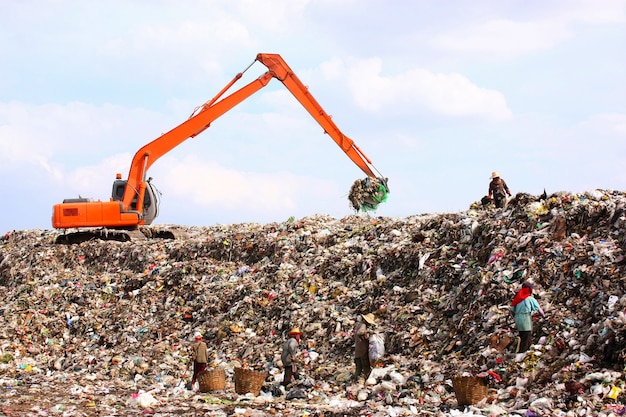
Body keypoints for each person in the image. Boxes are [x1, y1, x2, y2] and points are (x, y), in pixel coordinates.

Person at [510, 282, 545, 353]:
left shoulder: (517, 298)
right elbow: (539, 310)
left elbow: (511, 310)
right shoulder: (529, 298)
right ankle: (522, 353)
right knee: (527, 337)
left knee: (522, 336)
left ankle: (523, 351)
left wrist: (515, 317)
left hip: (518, 318)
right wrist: (544, 316)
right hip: (525, 317)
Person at [353, 313, 377, 381]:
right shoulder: (363, 325)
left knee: (358, 369)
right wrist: (368, 331)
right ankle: (367, 381)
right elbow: (360, 332)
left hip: (357, 351)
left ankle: (355, 382)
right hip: (363, 351)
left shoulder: (358, 325)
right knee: (366, 368)